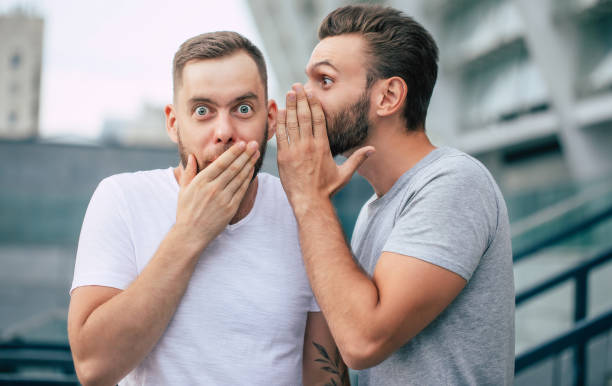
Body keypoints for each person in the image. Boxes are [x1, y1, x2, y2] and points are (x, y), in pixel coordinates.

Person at [67, 31, 348, 386]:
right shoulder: (122, 198)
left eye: (243, 109)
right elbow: (94, 367)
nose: (224, 131)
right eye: (202, 111)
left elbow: (324, 374)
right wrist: (189, 234)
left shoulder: (302, 209)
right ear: (173, 123)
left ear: (271, 119)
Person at [276, 4, 515, 385]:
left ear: (388, 96)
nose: (303, 98)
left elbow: (363, 340)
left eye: (325, 81)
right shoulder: (375, 208)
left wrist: (310, 199)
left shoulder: (454, 183)